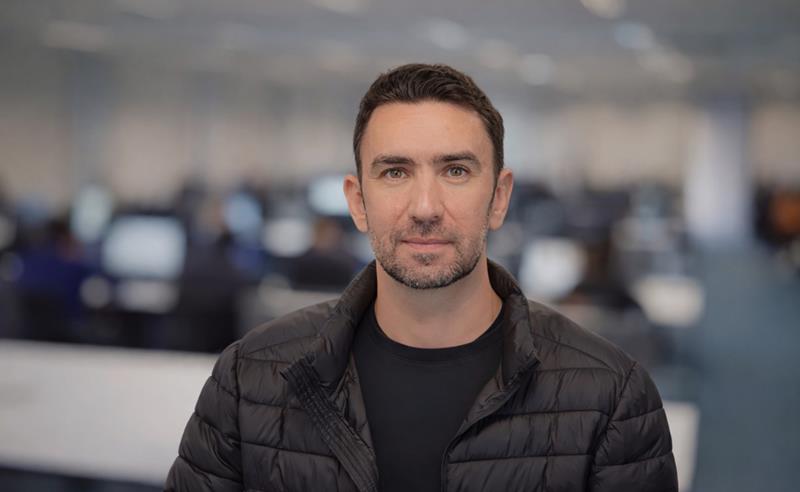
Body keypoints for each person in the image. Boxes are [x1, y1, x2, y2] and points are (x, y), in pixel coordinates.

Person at [165, 63, 677, 492]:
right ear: (357, 202)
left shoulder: (611, 397)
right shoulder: (248, 379)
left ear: (499, 198)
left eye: (455, 171)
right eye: (395, 172)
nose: (425, 207)